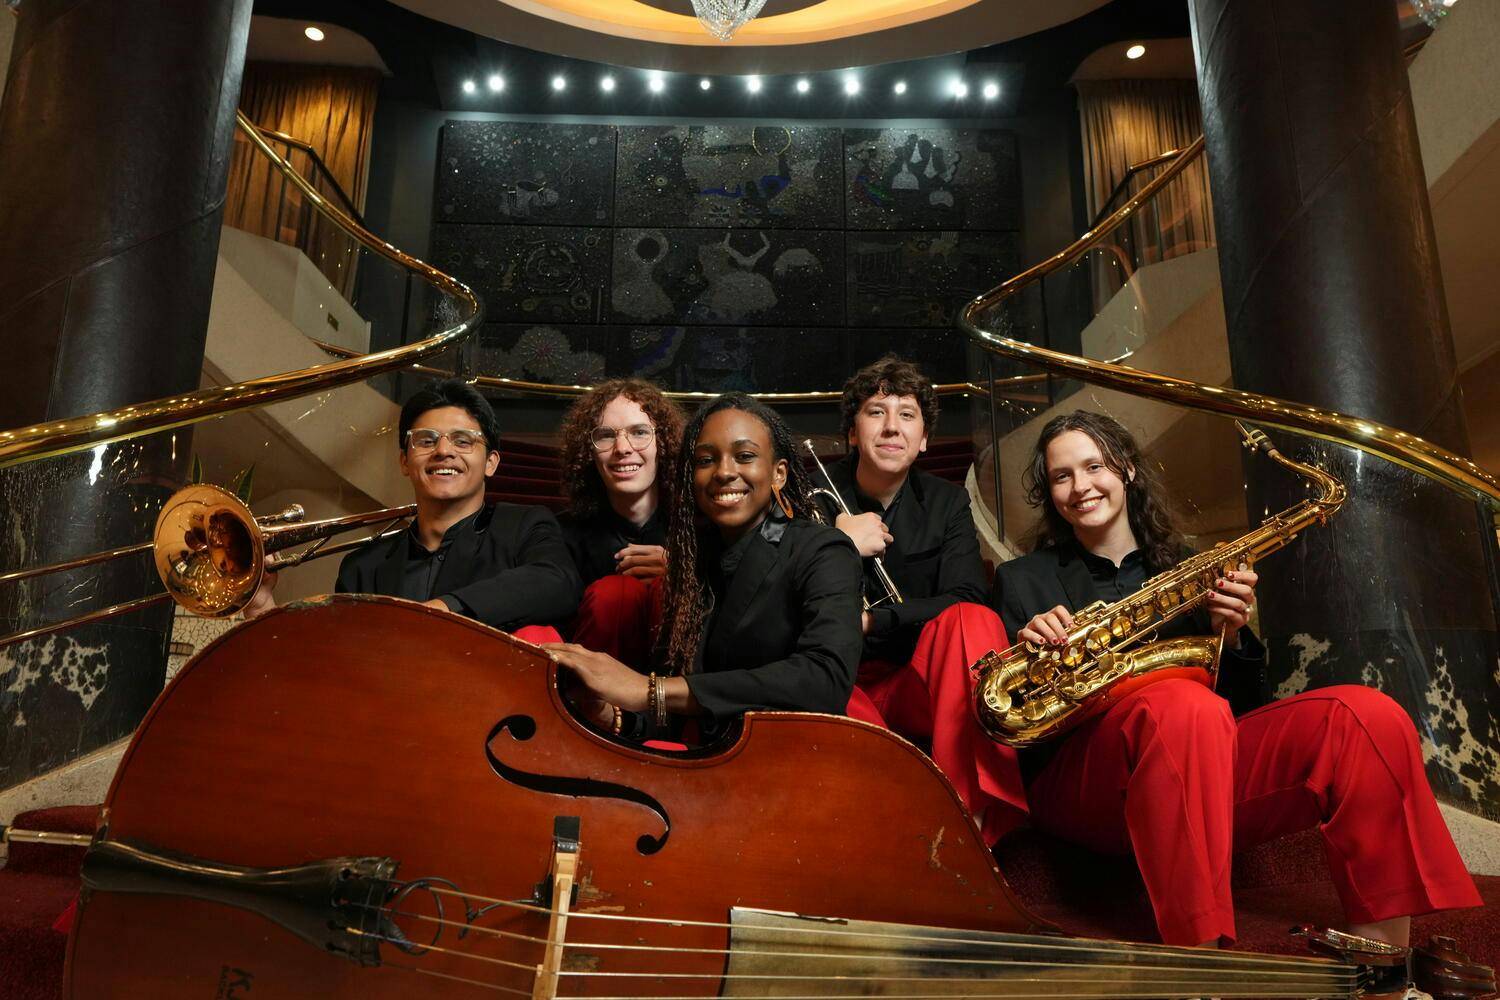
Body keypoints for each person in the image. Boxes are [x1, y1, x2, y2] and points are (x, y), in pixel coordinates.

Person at [990, 410, 1480, 947]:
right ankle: (1204, 958)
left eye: (1095, 466)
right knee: (1181, 705)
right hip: (1087, 786)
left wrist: (1234, 634)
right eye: (1062, 476)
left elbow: (1242, 714)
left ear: (1127, 469)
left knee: (1365, 716)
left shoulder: (1193, 568)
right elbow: (1014, 726)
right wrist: (1032, 648)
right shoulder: (1022, 581)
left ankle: (1383, 955)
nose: (1081, 486)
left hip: (1197, 757)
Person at [546, 393, 863, 743]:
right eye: (705, 460)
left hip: (796, 757)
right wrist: (613, 718)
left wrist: (653, 690)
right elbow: (689, 708)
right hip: (712, 763)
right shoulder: (692, 559)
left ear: (779, 473)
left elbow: (826, 680)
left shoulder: (823, 550)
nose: (724, 472)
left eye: (744, 456)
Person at [816, 356, 1026, 845]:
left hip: (919, 682)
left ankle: (968, 822)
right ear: (852, 432)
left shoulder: (948, 501)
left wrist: (875, 621)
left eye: (907, 415)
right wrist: (836, 542)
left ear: (925, 438)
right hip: (840, 683)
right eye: (876, 412)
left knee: (972, 618)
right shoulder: (812, 498)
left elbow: (968, 596)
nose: (892, 427)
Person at [335, 378, 581, 643]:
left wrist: (446, 608)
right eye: (426, 441)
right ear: (404, 461)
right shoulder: (361, 567)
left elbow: (558, 583)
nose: (443, 451)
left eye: (463, 441)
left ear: (491, 462)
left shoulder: (524, 527)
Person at [556, 379, 685, 669]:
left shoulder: (699, 529)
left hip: (675, 692)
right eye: (605, 436)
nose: (622, 448)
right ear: (588, 452)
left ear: (663, 444)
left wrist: (682, 573)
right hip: (591, 695)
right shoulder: (562, 535)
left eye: (640, 432)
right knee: (615, 594)